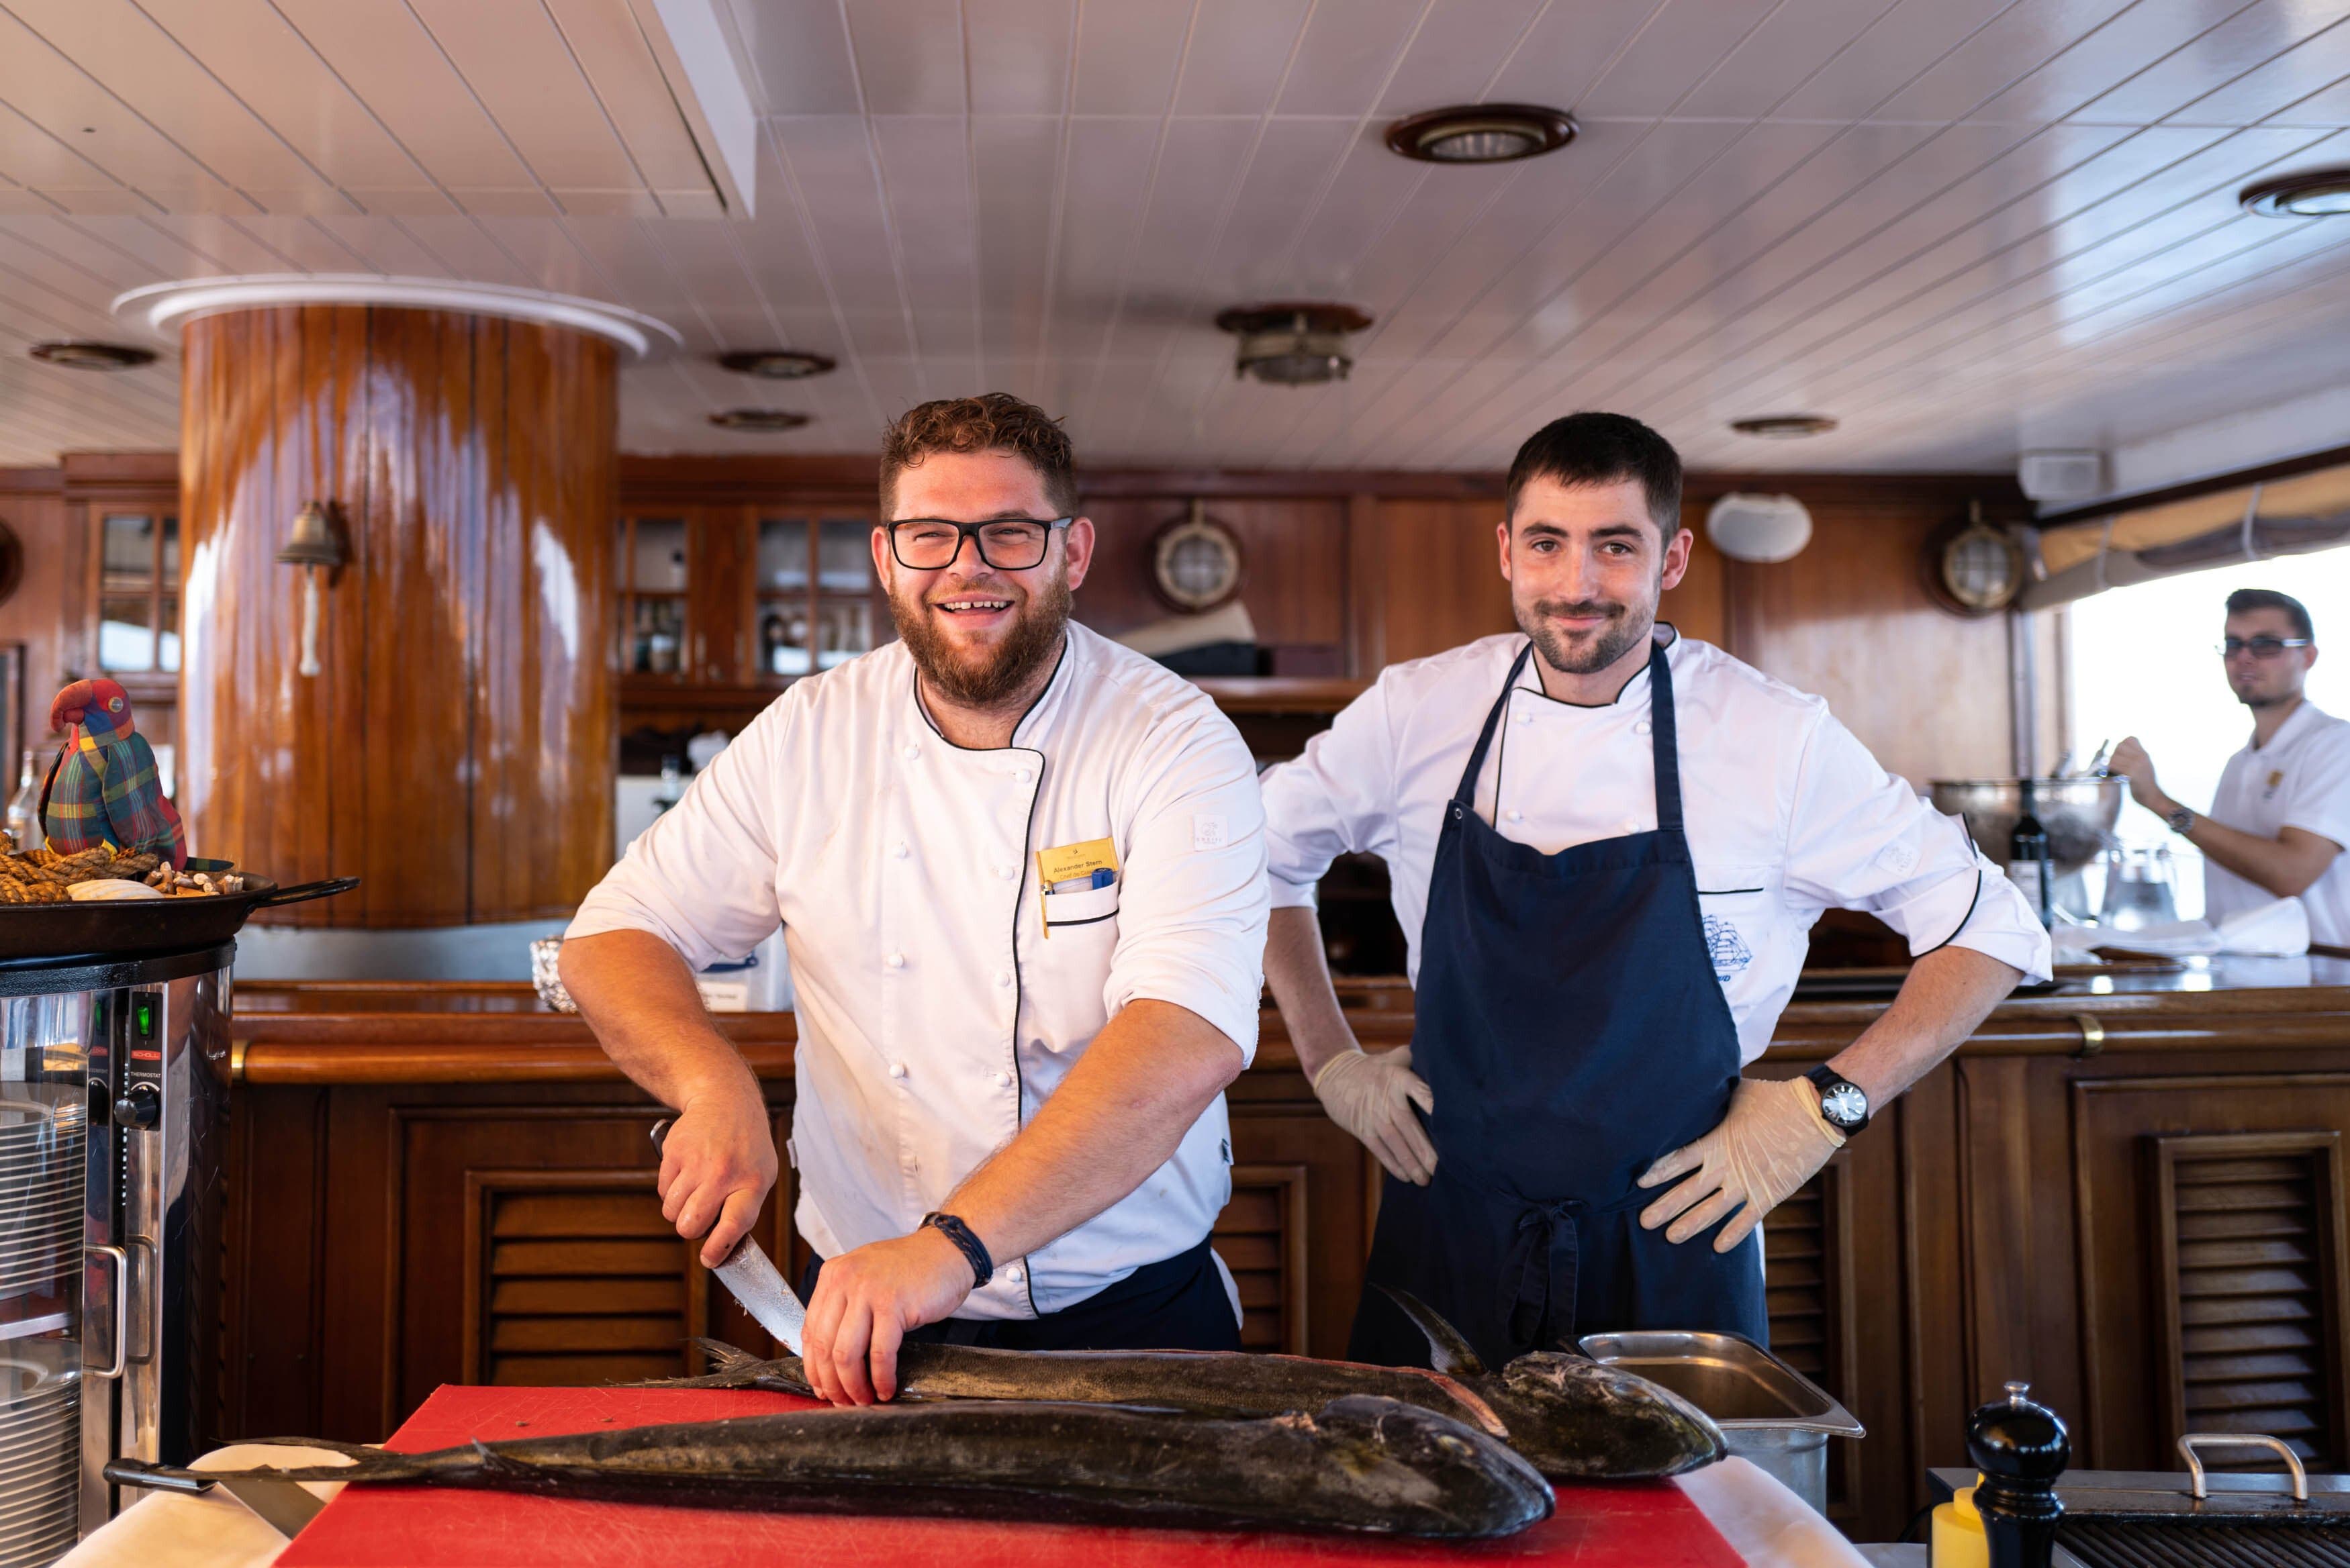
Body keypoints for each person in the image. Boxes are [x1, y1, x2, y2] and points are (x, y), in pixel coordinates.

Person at [1257, 412, 2051, 1370]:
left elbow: (1992, 928)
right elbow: (1254, 856)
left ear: (1672, 558)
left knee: (1679, 1517)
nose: (1577, 585)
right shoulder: (1417, 711)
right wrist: (1329, 1059)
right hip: (1447, 1231)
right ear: (1507, 551)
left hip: (1677, 1242)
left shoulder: (1773, 737)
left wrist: (1825, 1109)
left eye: (1615, 547)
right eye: (1547, 544)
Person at [561, 393, 1269, 1406]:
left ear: (1072, 554)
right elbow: (616, 933)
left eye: (1010, 534)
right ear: (887, 558)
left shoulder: (1173, 739)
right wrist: (710, 1085)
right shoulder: (811, 733)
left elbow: (1187, 1032)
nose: (968, 567)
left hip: (1128, 1320)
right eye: (931, 535)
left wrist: (951, 1248)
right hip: (863, 1317)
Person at [2110, 589, 2350, 946]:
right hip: (2245, 978)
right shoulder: (2239, 763)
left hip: (2320, 986)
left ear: (2308, 656)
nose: (2245, 658)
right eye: (2233, 645)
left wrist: (2160, 803)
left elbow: (2292, 873)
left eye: (2266, 645)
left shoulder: (2336, 745)